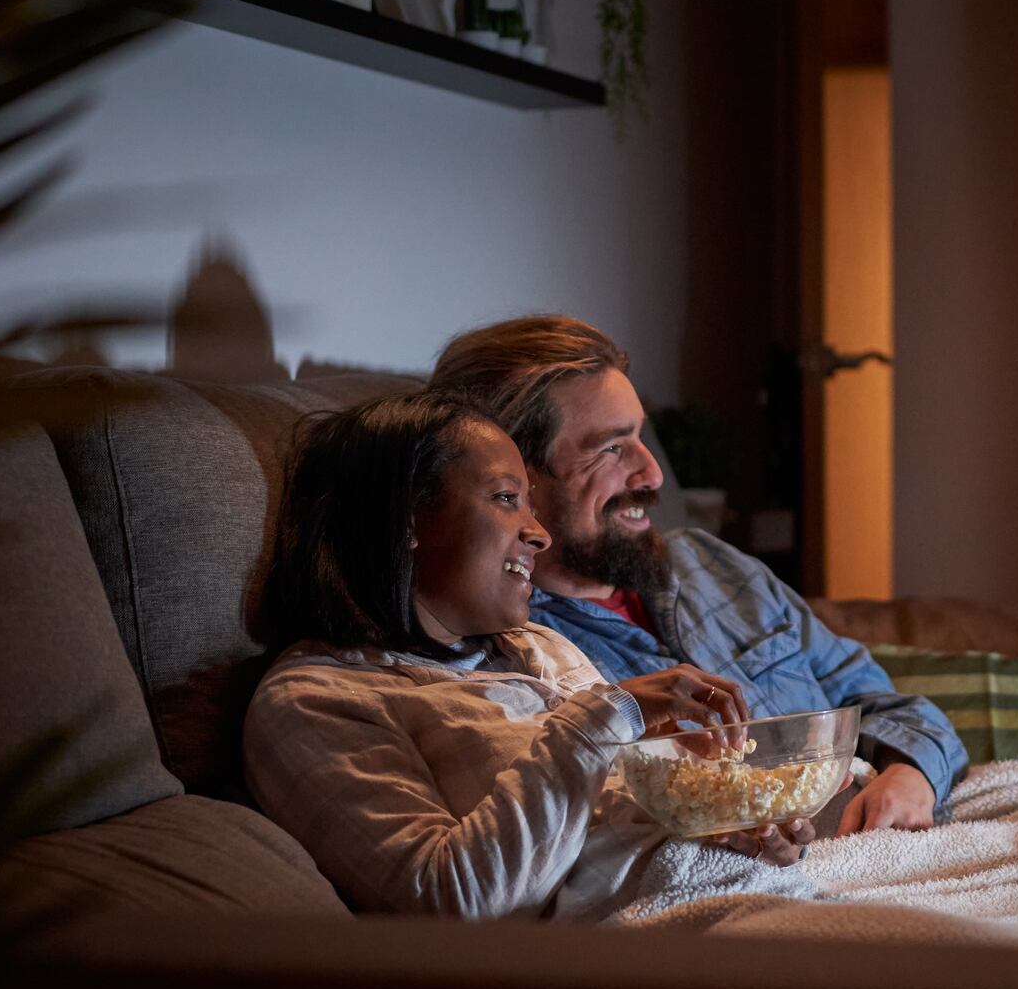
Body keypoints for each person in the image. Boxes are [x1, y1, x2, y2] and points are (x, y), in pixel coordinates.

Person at [244, 392, 811, 923]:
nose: (538, 534)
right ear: (405, 520)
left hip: (757, 890)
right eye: (505, 499)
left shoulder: (541, 646)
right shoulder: (316, 701)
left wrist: (725, 813)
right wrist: (608, 715)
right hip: (654, 946)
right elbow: (452, 900)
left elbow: (610, 811)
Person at [428, 315, 966, 838]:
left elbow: (886, 704)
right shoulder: (507, 657)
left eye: (642, 437)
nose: (653, 473)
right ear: (512, 475)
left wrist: (911, 774)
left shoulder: (713, 566)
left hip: (892, 844)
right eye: (611, 448)